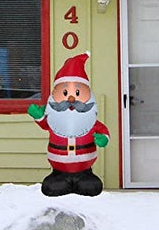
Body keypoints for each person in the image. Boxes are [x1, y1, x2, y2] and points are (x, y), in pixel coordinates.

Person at [27, 52, 110, 196]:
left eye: (77, 93)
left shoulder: (90, 122)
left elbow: (102, 131)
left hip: (85, 171)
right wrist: (39, 116)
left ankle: (82, 179)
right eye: (65, 93)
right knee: (52, 187)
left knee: (91, 187)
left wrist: (103, 139)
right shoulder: (54, 120)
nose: (71, 99)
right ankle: (61, 179)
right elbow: (45, 124)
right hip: (59, 171)